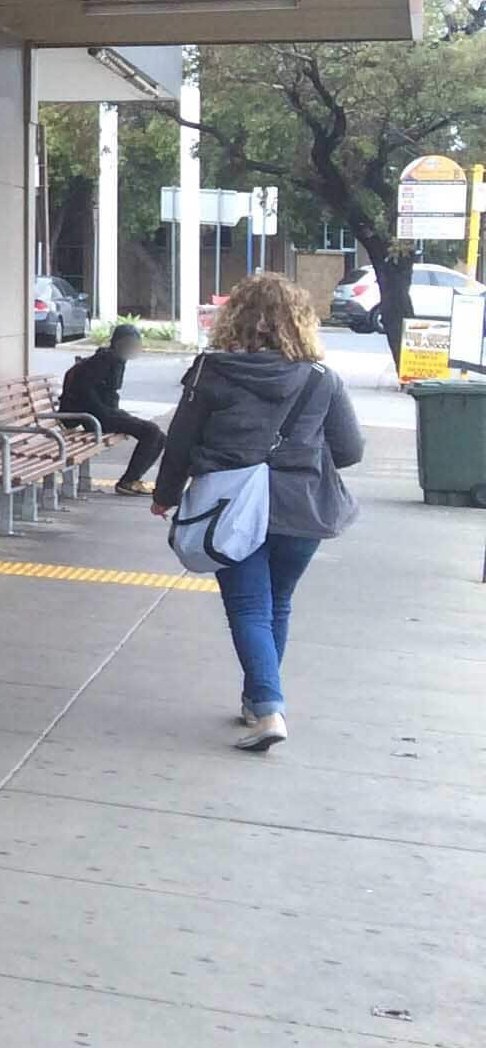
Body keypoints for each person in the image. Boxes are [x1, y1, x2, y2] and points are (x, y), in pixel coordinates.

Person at [149, 273, 362, 754]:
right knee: (276, 604)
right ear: (300, 321)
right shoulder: (321, 378)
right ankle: (257, 700)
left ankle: (267, 709)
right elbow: (349, 450)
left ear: (236, 319)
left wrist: (165, 494)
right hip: (301, 507)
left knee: (249, 607)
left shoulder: (211, 372)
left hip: (230, 509)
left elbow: (181, 441)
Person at [57, 323, 166, 494]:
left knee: (159, 436)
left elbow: (106, 392)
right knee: (152, 432)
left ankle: (132, 479)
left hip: (101, 414)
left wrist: (114, 413)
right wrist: (107, 414)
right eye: (128, 344)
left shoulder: (114, 359)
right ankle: (128, 482)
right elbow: (86, 391)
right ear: (117, 343)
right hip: (94, 416)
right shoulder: (104, 360)